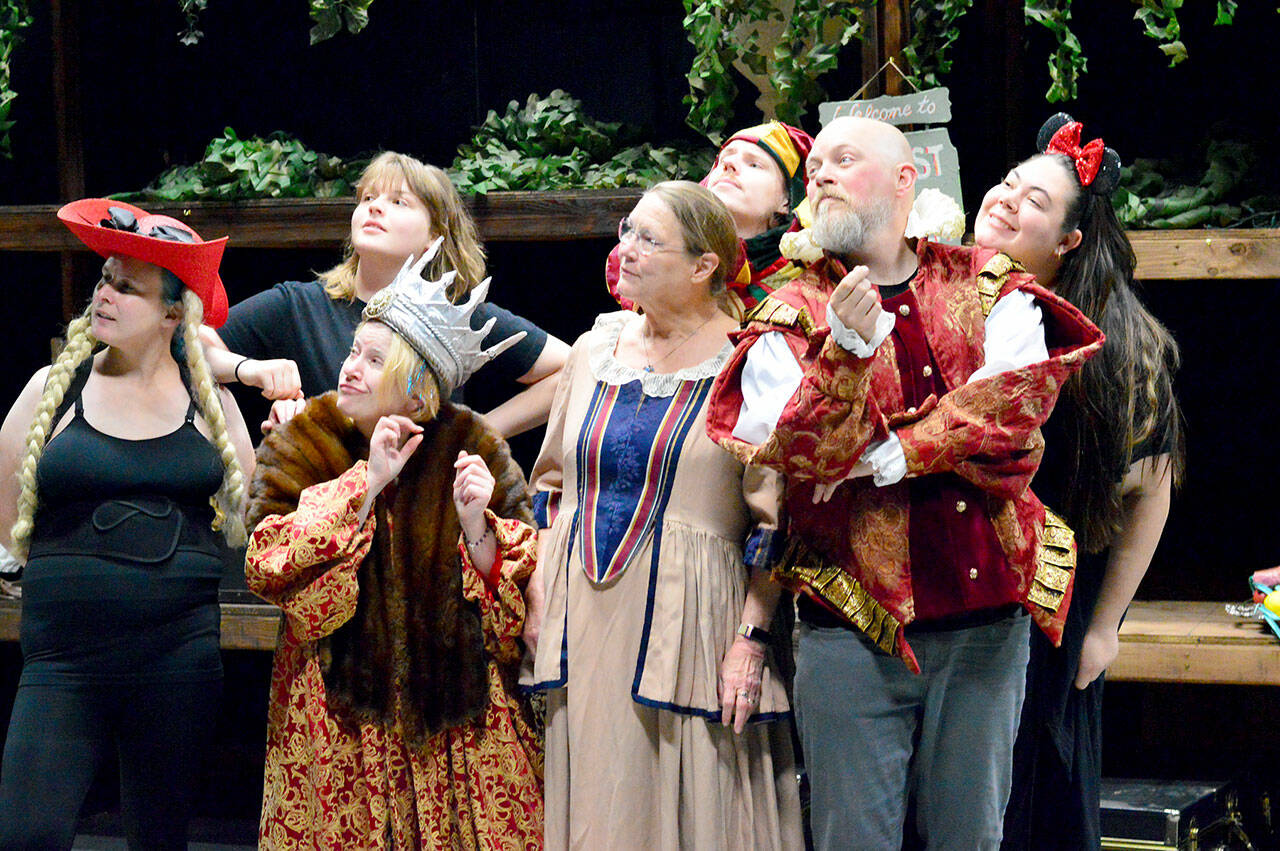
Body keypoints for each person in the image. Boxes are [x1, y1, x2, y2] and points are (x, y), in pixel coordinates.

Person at [703, 116, 1104, 850]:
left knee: (970, 837)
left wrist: (889, 455)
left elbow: (1011, 412)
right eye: (815, 166)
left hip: (986, 624)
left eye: (844, 158)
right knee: (854, 838)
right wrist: (845, 353)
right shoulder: (789, 313)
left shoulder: (987, 285)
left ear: (903, 178)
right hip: (853, 630)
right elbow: (797, 450)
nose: (820, 173)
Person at [526, 180, 803, 849]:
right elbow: (551, 486)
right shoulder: (594, 349)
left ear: (704, 265)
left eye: (650, 239)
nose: (627, 249)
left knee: (693, 799)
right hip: (582, 620)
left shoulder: (750, 359)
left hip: (694, 621)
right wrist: (538, 599)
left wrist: (751, 640)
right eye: (627, 231)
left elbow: (775, 520)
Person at [243, 245, 543, 850]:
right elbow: (271, 567)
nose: (351, 367)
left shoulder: (472, 445)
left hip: (457, 723)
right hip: (340, 720)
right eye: (354, 351)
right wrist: (367, 483)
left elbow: (509, 609)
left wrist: (476, 524)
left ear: (416, 389)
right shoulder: (304, 441)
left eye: (374, 359)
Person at [0, 199, 254, 849]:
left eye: (127, 286)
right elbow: (6, 514)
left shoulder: (210, 402)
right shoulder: (53, 387)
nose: (104, 294)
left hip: (177, 656)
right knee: (28, 835)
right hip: (65, 656)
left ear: (173, 312)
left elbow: (250, 513)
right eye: (104, 278)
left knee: (158, 838)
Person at [980, 114, 1185, 850]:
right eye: (1009, 183)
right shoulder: (942, 291)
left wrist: (1104, 629)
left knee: (1032, 806)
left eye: (1034, 200)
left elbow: (1152, 483)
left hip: (1047, 611)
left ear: (1069, 240)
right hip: (947, 595)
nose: (1007, 199)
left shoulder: (1111, 342)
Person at [200, 150, 568, 437]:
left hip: (422, 506)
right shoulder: (297, 305)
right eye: (367, 198)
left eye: (398, 202)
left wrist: (479, 434)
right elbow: (188, 345)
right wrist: (249, 369)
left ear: (434, 236)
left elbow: (572, 368)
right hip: (324, 508)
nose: (374, 206)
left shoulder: (455, 314)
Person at [607, 121, 814, 319]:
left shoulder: (807, 292)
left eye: (754, 164)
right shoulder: (660, 263)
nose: (729, 165)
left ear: (787, 201)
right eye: (723, 160)